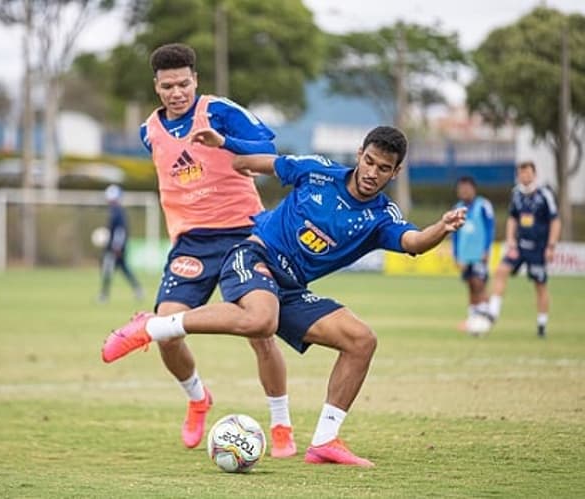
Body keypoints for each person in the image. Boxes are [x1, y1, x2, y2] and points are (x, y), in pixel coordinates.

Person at [102, 126, 467, 466]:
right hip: (253, 256)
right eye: (369, 161)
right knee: (262, 321)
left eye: (383, 168)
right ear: (359, 154)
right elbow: (256, 164)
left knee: (361, 340)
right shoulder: (317, 171)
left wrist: (440, 228)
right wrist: (227, 146)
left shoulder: (381, 216)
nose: (372, 172)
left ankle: (324, 441)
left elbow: (414, 243)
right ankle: (153, 327)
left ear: (396, 172)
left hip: (291, 289)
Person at [131, 43, 296, 457]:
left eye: (183, 83)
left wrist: (224, 141)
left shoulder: (218, 110)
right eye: (168, 86)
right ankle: (198, 397)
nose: (176, 92)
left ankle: (281, 425)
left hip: (244, 235)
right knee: (167, 331)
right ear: (157, 87)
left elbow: (267, 152)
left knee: (261, 331)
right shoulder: (147, 131)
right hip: (191, 244)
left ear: (196, 81)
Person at [488, 161, 561, 337]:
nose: (525, 177)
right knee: (501, 270)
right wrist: (511, 239)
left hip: (538, 248)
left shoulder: (545, 194)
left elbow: (555, 221)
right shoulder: (516, 194)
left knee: (540, 285)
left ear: (534, 174)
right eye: (521, 173)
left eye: (528, 173)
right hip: (520, 246)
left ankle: (542, 324)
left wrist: (551, 246)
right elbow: (513, 218)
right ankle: (493, 312)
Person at [451, 176, 495, 331]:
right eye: (461, 189)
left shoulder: (483, 205)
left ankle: (486, 317)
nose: (464, 191)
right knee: (470, 285)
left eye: (466, 188)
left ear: (473, 189)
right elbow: (454, 234)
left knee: (479, 283)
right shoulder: (457, 208)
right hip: (464, 255)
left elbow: (490, 228)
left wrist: (486, 250)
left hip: (478, 254)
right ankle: (472, 318)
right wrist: (456, 255)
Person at [98, 184, 144, 303]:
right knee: (122, 269)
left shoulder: (117, 212)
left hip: (115, 248)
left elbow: (120, 230)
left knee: (108, 269)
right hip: (116, 247)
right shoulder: (115, 211)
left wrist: (116, 246)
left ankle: (104, 295)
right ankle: (138, 289)